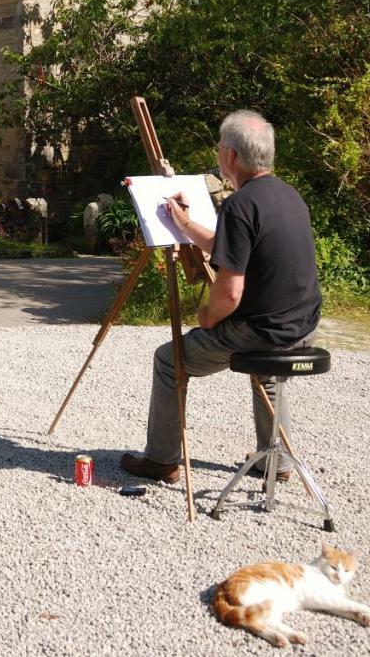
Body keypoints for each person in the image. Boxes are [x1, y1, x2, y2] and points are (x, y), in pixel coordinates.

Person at [120, 110, 321, 484]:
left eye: (219, 149)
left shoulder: (241, 205)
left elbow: (229, 292)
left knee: (168, 360)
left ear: (230, 157)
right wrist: (184, 225)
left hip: (266, 333)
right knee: (268, 372)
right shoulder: (287, 196)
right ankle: (276, 461)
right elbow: (231, 247)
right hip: (303, 328)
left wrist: (207, 317)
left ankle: (162, 461)